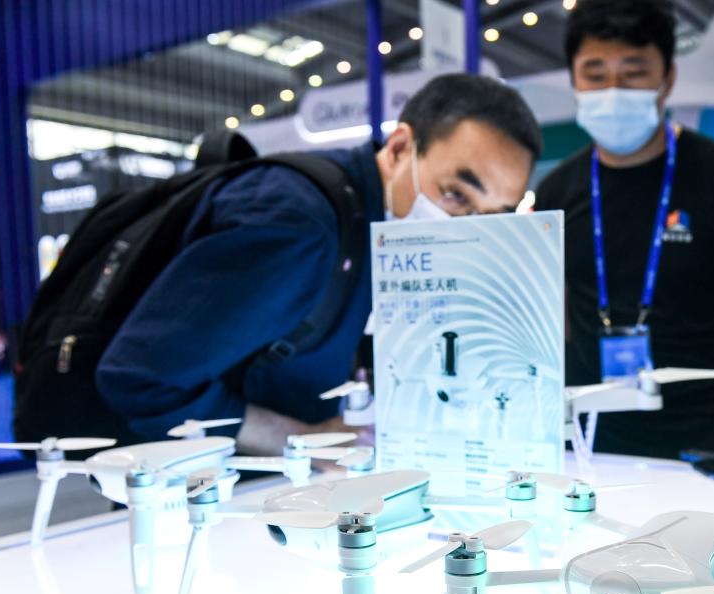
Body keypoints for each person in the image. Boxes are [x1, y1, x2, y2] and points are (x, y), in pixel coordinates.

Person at [91, 74, 541, 454]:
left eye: (491, 216)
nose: (466, 227)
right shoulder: (299, 226)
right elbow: (142, 380)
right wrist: (304, 439)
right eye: (456, 195)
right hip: (182, 501)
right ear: (402, 146)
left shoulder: (370, 224)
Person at [533, 0, 714, 459]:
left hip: (697, 427)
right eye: (595, 73)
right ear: (574, 80)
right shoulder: (557, 190)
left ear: (667, 79)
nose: (613, 88)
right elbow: (560, 315)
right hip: (588, 431)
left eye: (633, 72)